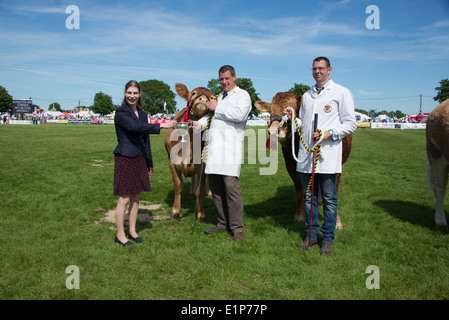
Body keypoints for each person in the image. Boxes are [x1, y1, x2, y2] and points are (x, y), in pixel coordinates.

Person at [284, 57, 356, 255]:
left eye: (321, 68)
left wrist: (328, 134)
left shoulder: (341, 92)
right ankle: (311, 237)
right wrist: (293, 119)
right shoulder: (307, 95)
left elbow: (351, 123)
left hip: (328, 155)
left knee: (330, 199)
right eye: (314, 68)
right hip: (307, 155)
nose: (317, 71)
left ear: (329, 70)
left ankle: (328, 239)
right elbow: (304, 124)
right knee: (309, 199)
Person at [113, 80, 177, 247]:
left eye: (135, 93)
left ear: (139, 94)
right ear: (125, 93)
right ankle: (120, 234)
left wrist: (149, 162)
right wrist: (162, 125)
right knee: (124, 198)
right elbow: (135, 128)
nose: (132, 96)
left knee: (136, 196)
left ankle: (132, 231)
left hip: (139, 158)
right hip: (125, 157)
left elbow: (144, 140)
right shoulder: (120, 113)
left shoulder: (142, 114)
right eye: (129, 93)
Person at [192, 65, 252, 242]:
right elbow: (210, 117)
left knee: (231, 190)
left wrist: (217, 107)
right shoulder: (218, 97)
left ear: (234, 77)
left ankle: (237, 229)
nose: (224, 82)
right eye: (221, 79)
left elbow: (240, 115)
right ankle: (222, 223)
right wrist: (199, 124)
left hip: (230, 151)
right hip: (214, 150)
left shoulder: (243, 96)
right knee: (217, 191)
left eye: (227, 78)